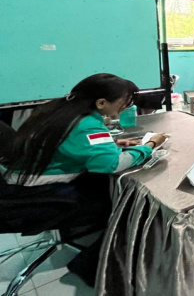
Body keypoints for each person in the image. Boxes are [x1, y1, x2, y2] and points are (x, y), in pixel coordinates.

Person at [0, 73, 168, 286]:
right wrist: (150, 145)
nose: (126, 107)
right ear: (101, 103)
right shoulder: (88, 124)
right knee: (129, 204)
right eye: (123, 103)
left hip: (16, 179)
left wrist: (112, 144)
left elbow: (73, 143)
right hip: (36, 192)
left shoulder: (59, 109)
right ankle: (93, 265)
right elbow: (111, 164)